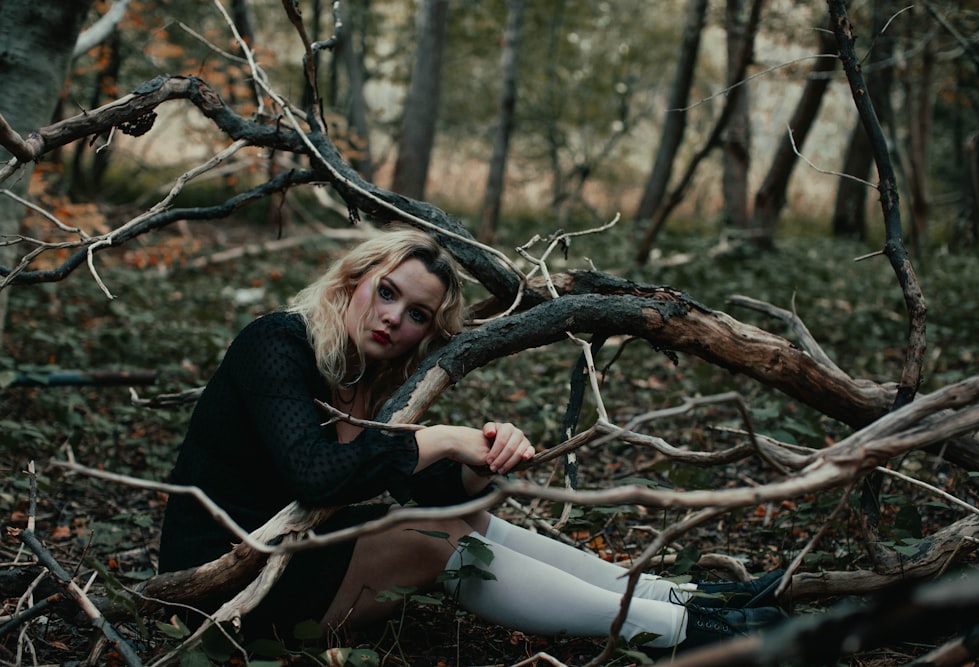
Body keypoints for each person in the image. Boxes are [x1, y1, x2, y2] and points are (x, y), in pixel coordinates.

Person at [157, 227, 785, 653]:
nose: (393, 319)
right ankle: (674, 632)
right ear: (355, 279)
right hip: (226, 588)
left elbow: (403, 482)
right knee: (433, 542)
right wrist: (438, 439)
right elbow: (317, 475)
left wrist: (479, 459)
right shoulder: (278, 342)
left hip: (295, 558)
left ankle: (674, 596)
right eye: (388, 292)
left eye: (417, 316)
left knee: (459, 515)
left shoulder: (367, 377)